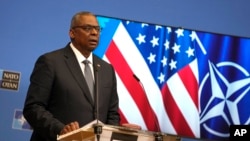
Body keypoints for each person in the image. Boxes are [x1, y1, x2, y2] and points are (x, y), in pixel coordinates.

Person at [23, 11, 121, 141]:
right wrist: (61, 130)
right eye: (87, 28)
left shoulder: (106, 69)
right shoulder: (50, 62)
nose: (94, 33)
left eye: (98, 29)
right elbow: (33, 107)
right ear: (72, 33)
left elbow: (112, 114)